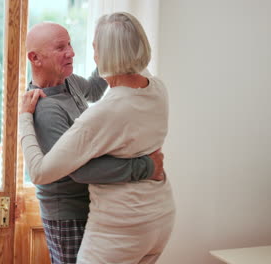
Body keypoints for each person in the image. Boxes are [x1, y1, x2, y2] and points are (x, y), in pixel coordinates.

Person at [20, 13, 175, 264]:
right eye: (61, 47)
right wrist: (146, 166)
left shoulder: (68, 81)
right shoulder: (45, 108)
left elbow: (94, 88)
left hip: (91, 206)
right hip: (68, 213)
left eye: (70, 44)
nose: (71, 52)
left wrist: (116, 50)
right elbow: (74, 171)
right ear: (34, 58)